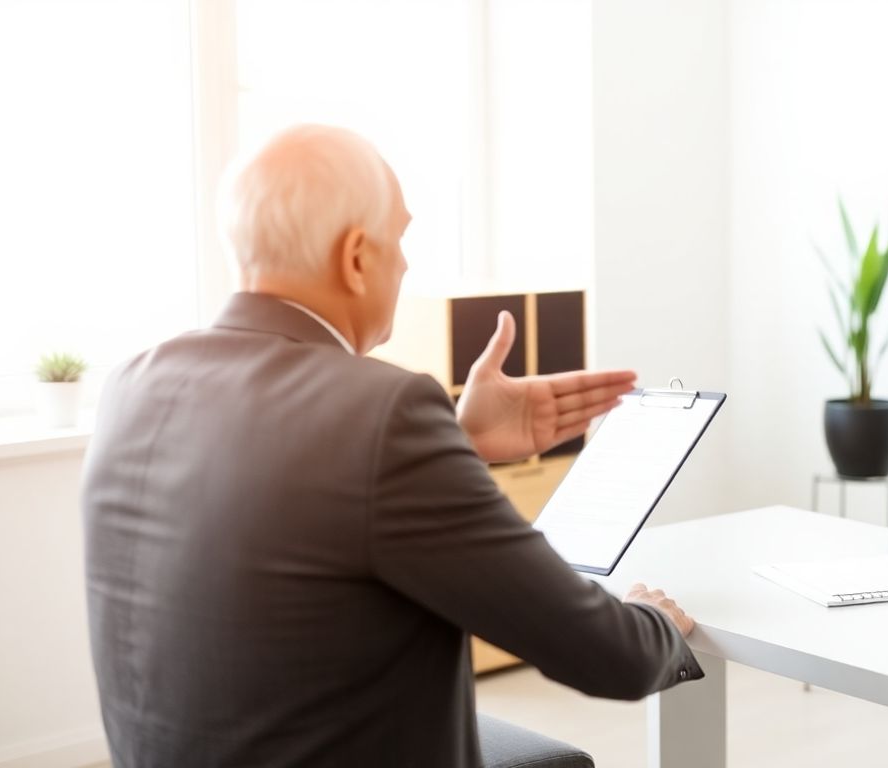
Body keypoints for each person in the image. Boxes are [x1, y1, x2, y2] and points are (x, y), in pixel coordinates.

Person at [80, 124, 702, 768]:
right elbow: (604, 656)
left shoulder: (132, 385)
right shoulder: (381, 412)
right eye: (400, 238)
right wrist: (650, 621)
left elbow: (293, 515)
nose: (405, 264)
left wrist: (458, 443)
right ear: (355, 257)